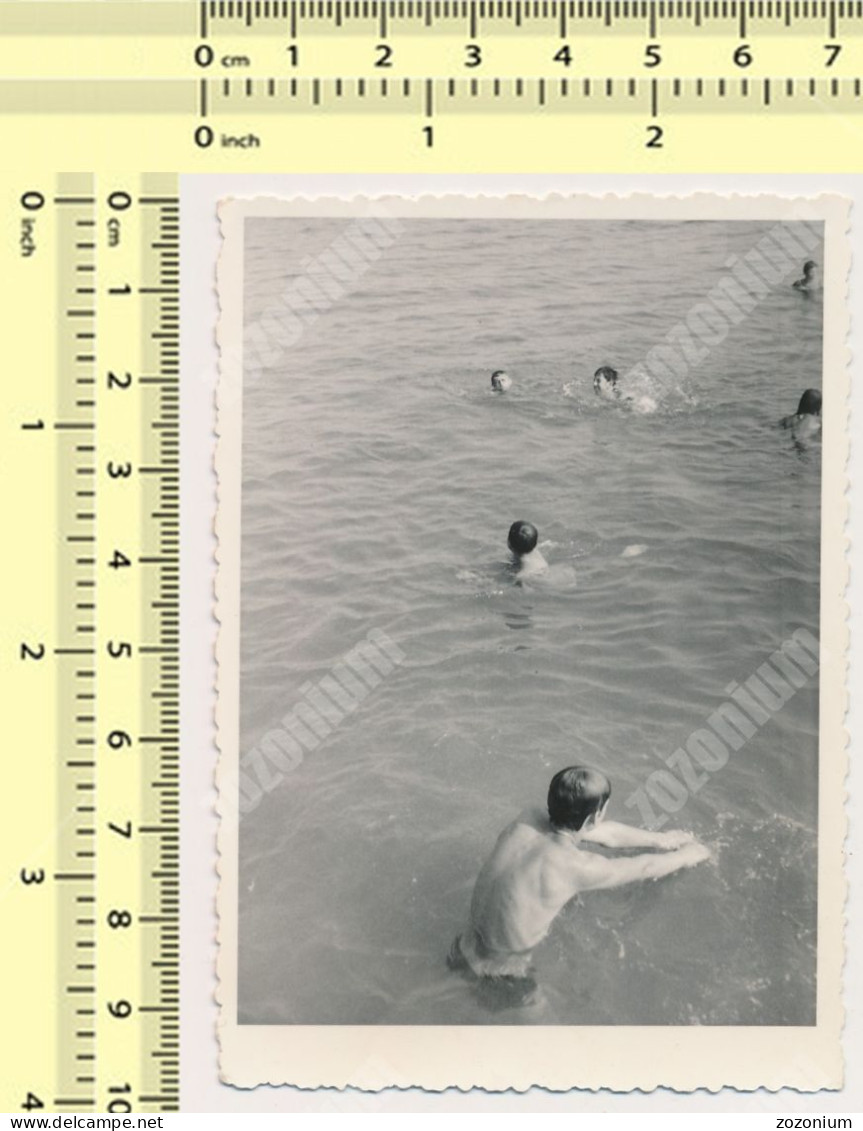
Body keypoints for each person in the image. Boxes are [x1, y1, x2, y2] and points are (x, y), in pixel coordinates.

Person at [448, 766, 709, 1003]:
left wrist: (660, 840)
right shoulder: (575, 867)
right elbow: (644, 868)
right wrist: (688, 855)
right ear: (593, 818)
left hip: (461, 950)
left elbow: (607, 834)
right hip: (504, 976)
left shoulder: (527, 818)